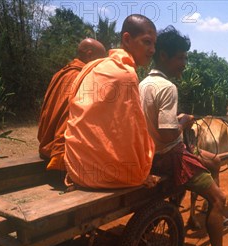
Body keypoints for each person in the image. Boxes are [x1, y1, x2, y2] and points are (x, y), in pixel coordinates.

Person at [139, 26, 228, 246]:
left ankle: (187, 209)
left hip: (147, 155)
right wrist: (183, 122)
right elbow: (166, 134)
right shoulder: (167, 88)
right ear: (163, 56)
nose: (184, 63)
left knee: (214, 160)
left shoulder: (142, 84)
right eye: (181, 58)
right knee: (219, 199)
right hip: (168, 157)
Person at [64, 15, 157, 188]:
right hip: (101, 175)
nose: (152, 50)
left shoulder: (97, 65)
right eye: (147, 42)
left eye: (154, 44)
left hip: (76, 167)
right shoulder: (125, 75)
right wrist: (141, 170)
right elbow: (131, 133)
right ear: (127, 39)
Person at [37, 38, 107, 171]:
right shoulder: (83, 78)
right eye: (100, 59)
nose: (101, 65)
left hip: (45, 142)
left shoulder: (60, 73)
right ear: (90, 54)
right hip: (62, 153)